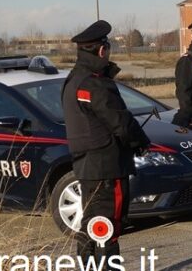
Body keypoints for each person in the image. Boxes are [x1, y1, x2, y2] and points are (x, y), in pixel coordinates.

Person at [61, 20, 150, 267]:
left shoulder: (74, 80)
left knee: (91, 224)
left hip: (87, 166)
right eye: (107, 49)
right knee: (107, 226)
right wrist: (140, 142)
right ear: (101, 50)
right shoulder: (95, 83)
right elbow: (120, 121)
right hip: (107, 167)